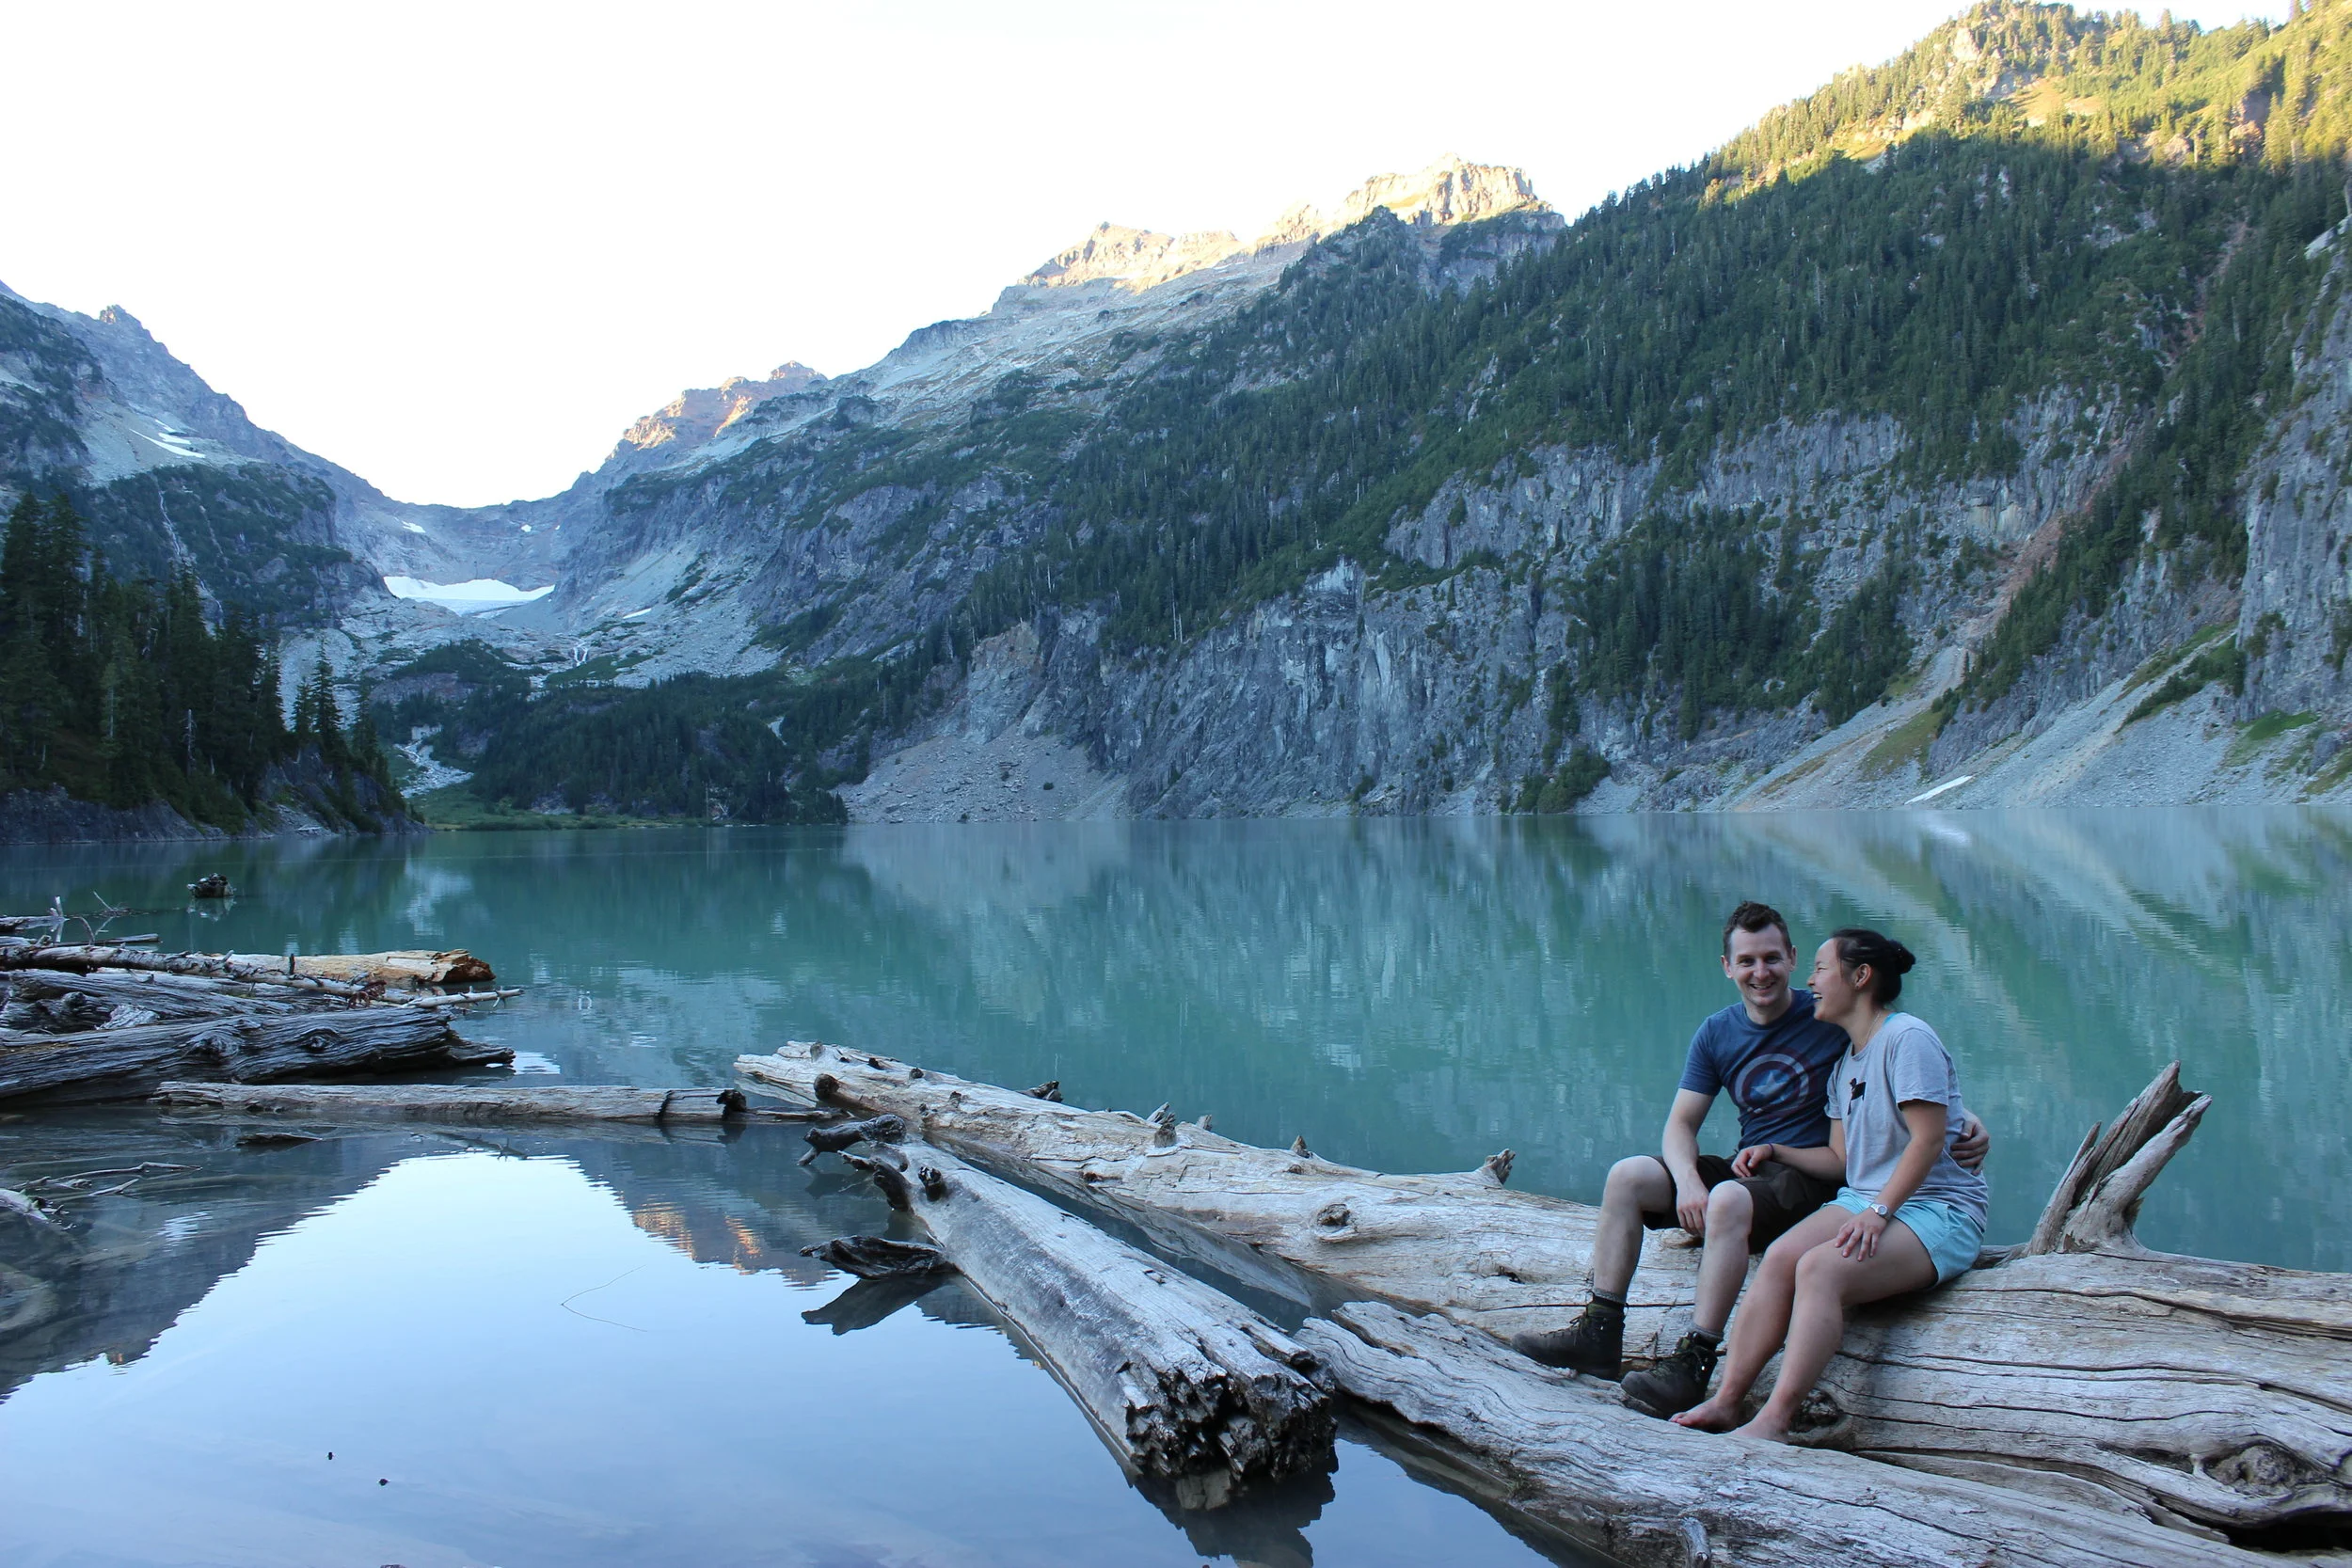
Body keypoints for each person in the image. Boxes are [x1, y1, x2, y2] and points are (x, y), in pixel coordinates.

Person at [1510, 902, 1986, 1418]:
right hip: (1765, 1167)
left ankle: (1697, 1360)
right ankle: (1600, 1330)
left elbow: (1913, 1084)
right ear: (1727, 966)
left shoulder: (1832, 1015)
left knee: (1735, 1203)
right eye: (1747, 961)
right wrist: (1690, 1180)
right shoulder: (1728, 1033)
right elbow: (1681, 1125)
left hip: (1819, 1186)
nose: (1763, 973)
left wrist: (1964, 1120)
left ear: (1792, 958)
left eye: (1775, 959)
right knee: (1628, 1177)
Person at [1674, 927, 1989, 1441]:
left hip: (1940, 1210)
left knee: (1820, 1270)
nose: (1812, 982)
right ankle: (1728, 1402)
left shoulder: (1907, 1038)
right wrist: (1776, 1151)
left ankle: (1776, 1420)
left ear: (1860, 977)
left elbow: (1929, 1140)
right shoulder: (1845, 1064)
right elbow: (1841, 1159)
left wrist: (1880, 1212)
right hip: (1865, 1197)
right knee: (1779, 1258)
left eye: (1821, 970)